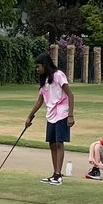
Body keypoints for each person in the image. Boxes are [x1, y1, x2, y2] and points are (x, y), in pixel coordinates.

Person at [25, 52, 75, 186]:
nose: (37, 69)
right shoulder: (44, 80)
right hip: (51, 115)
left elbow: (70, 95)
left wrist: (70, 115)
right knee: (52, 144)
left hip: (62, 113)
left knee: (59, 143)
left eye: (38, 66)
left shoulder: (58, 75)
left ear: (45, 65)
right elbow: (40, 100)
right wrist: (30, 116)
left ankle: (58, 175)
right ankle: (55, 173)